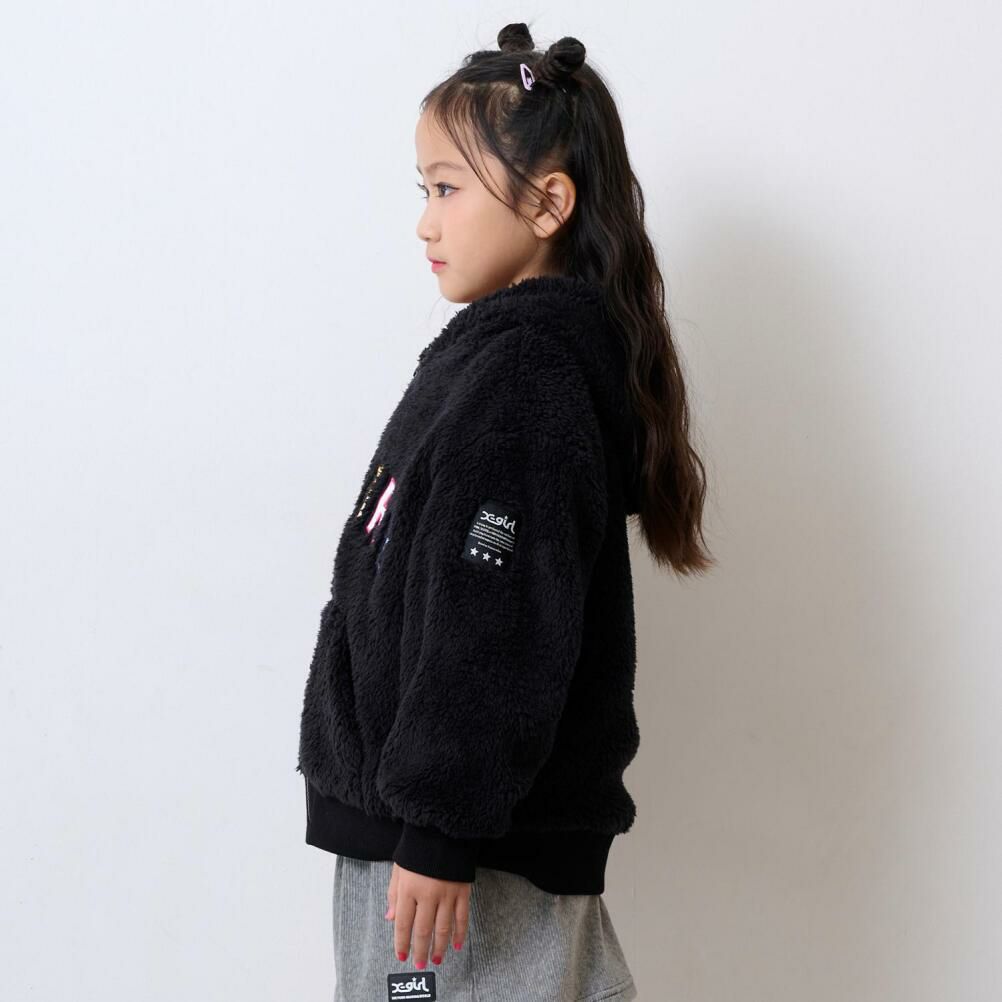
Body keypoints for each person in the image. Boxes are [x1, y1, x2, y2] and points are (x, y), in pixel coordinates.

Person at [296, 21, 715, 1001]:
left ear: (547, 204)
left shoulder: (524, 377)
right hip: (443, 840)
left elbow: (499, 620)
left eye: (447, 189)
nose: (424, 223)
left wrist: (440, 828)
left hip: (465, 859)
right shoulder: (497, 363)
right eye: (422, 190)